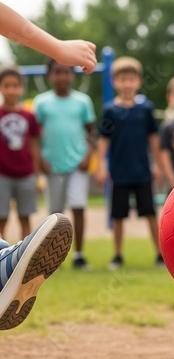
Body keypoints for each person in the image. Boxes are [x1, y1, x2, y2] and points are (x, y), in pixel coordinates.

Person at [0, 1, 96, 329]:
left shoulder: (81, 103)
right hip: (47, 167)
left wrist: (56, 48)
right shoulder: (39, 104)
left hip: (73, 166)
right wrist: (56, 47)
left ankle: (3, 264)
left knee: (72, 210)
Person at [96, 57, 167, 270]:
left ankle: (160, 255)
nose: (127, 83)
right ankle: (117, 255)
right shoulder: (109, 111)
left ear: (138, 81)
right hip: (119, 172)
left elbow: (153, 140)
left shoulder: (145, 109)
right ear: (114, 82)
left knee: (150, 214)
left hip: (143, 171)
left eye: (131, 79)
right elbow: (103, 141)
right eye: (122, 79)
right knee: (118, 216)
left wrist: (157, 165)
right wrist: (101, 165)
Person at [34, 59, 96, 270]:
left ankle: (79, 254)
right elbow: (35, 135)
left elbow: (91, 132)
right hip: (52, 166)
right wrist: (40, 159)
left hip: (77, 164)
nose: (62, 77)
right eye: (57, 72)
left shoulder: (82, 101)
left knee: (78, 207)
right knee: (55, 215)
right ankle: (53, 259)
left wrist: (88, 155)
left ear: (73, 75)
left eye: (66, 72)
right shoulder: (41, 102)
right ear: (50, 75)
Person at [0, 66, 41, 239]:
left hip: (26, 174)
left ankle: (24, 257)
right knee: (2, 217)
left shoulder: (29, 116)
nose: (11, 90)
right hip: (2, 174)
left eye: (15, 85)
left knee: (25, 217)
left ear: (21, 88)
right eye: (7, 85)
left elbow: (34, 145)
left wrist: (37, 175)